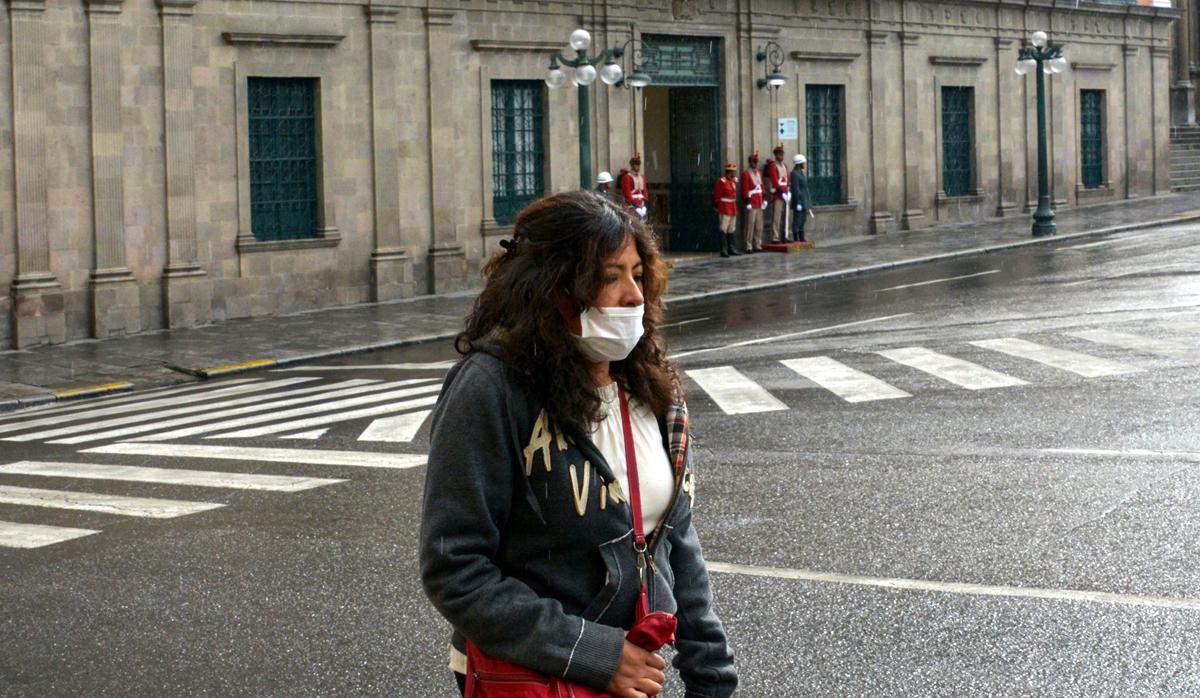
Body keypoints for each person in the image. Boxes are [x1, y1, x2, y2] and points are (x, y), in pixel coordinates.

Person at [420, 190, 737, 698]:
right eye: (610, 277)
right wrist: (596, 654)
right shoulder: (492, 388)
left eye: (637, 273)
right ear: (551, 287)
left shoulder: (651, 389)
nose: (633, 295)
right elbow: (455, 568)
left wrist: (712, 676)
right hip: (534, 678)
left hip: (632, 674)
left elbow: (673, 541)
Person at [740, 151, 767, 253]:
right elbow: (745, 188)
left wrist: (764, 198)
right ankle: (748, 246)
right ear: (749, 162)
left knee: (759, 226)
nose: (755, 163)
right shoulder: (746, 174)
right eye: (753, 161)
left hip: (759, 202)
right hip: (752, 202)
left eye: (756, 161)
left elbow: (762, 186)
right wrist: (747, 202)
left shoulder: (759, 173)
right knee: (750, 226)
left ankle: (758, 244)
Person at [712, 162, 740, 257]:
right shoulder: (722, 181)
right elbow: (717, 195)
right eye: (732, 172)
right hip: (724, 207)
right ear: (728, 172)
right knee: (723, 228)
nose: (734, 174)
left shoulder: (732, 181)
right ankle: (724, 249)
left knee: (731, 228)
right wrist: (717, 206)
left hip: (732, 207)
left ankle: (731, 248)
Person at [765, 143, 791, 242]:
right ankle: (775, 237)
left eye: (782, 154)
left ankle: (785, 235)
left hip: (786, 193)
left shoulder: (785, 166)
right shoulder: (772, 166)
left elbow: (788, 179)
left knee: (786, 216)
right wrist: (781, 193)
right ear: (776, 155)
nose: (781, 156)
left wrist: (788, 191)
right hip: (778, 194)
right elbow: (775, 181)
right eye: (779, 154)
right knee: (777, 217)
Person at [790, 153, 814, 243]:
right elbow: (796, 189)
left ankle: (801, 237)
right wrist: (798, 202)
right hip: (799, 200)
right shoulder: (794, 174)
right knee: (797, 219)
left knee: (803, 219)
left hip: (804, 199)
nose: (804, 164)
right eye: (803, 163)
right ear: (799, 164)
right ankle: (796, 237)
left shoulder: (801, 173)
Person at [619, 153, 649, 221]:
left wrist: (645, 204)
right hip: (631, 204)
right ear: (632, 165)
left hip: (641, 204)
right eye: (636, 164)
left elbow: (644, 191)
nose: (638, 167)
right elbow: (627, 193)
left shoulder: (642, 177)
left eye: (638, 165)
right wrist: (635, 205)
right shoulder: (626, 177)